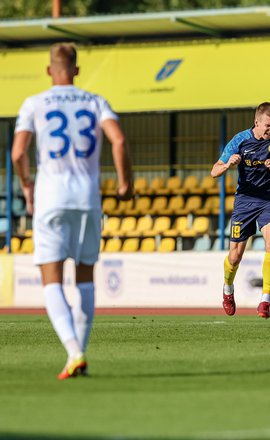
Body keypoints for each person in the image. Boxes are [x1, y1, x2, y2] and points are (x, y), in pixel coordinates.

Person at [12, 43, 133, 379]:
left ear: (50, 70)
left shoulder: (34, 103)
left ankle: (74, 351)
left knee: (51, 279)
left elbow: (18, 152)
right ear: (76, 70)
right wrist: (125, 183)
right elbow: (119, 141)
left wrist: (26, 186)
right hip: (86, 199)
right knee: (84, 279)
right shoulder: (95, 101)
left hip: (50, 197)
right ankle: (77, 354)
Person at [211, 102, 270, 319]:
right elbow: (214, 171)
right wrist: (228, 165)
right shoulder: (240, 140)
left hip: (269, 199)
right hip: (244, 201)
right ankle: (227, 288)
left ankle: (265, 301)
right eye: (267, 126)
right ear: (256, 122)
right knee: (235, 256)